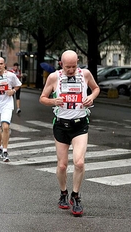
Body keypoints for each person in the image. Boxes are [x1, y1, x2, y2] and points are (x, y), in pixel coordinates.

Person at [39, 50, 100, 217]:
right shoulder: (54, 77)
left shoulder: (85, 74)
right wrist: (53, 101)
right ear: (61, 64)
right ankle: (63, 192)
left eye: (74, 66)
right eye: (68, 67)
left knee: (79, 163)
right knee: (62, 165)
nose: (71, 70)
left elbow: (95, 88)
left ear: (78, 62)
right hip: (61, 125)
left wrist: (91, 97)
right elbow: (42, 98)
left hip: (80, 124)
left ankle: (76, 195)